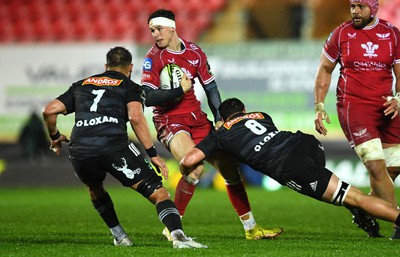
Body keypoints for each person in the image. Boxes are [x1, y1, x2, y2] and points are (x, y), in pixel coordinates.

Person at [41, 46, 207, 249]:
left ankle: (120, 236)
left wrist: (55, 136)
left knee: (95, 189)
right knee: (159, 194)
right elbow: (136, 117)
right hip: (114, 146)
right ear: (130, 67)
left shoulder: (81, 85)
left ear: (105, 66)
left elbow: (49, 110)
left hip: (80, 149)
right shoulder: (128, 86)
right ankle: (179, 237)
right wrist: (152, 154)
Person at [140, 9, 283, 241]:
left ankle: (251, 228)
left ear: (171, 27)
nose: (155, 35)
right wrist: (179, 90)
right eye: (152, 31)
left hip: (197, 119)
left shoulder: (195, 52)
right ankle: (172, 228)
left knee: (230, 168)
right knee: (194, 168)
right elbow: (146, 96)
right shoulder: (153, 58)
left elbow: (211, 87)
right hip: (170, 121)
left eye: (158, 29)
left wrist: (218, 118)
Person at [180, 97, 400, 239]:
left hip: (290, 165)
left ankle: (363, 210)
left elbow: (190, 160)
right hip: (308, 144)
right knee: (339, 191)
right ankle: (357, 211)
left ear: (223, 118)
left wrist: (184, 164)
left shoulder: (220, 135)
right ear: (244, 109)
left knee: (354, 198)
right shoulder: (262, 116)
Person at [313, 0, 400, 239]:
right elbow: (325, 69)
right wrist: (319, 105)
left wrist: (399, 98)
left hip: (386, 107)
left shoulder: (392, 34)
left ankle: (364, 208)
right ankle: (398, 224)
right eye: (352, 6)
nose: (355, 11)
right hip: (354, 108)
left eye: (360, 6)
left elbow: (399, 73)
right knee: (375, 165)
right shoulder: (341, 34)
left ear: (373, 8)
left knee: (392, 167)